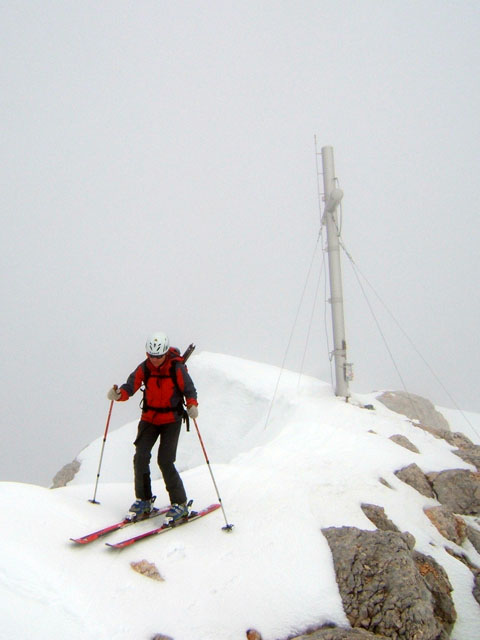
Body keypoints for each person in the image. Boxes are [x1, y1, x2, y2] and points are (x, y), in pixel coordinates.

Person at [107, 331, 198, 523]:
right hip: (149, 418)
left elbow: (189, 389)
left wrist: (192, 405)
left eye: (159, 356)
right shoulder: (145, 367)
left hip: (171, 419)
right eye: (151, 356)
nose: (155, 360)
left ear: (165, 353)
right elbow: (130, 386)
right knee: (140, 457)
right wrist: (119, 394)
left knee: (165, 461)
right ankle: (144, 500)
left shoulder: (176, 368)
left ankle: (180, 503)